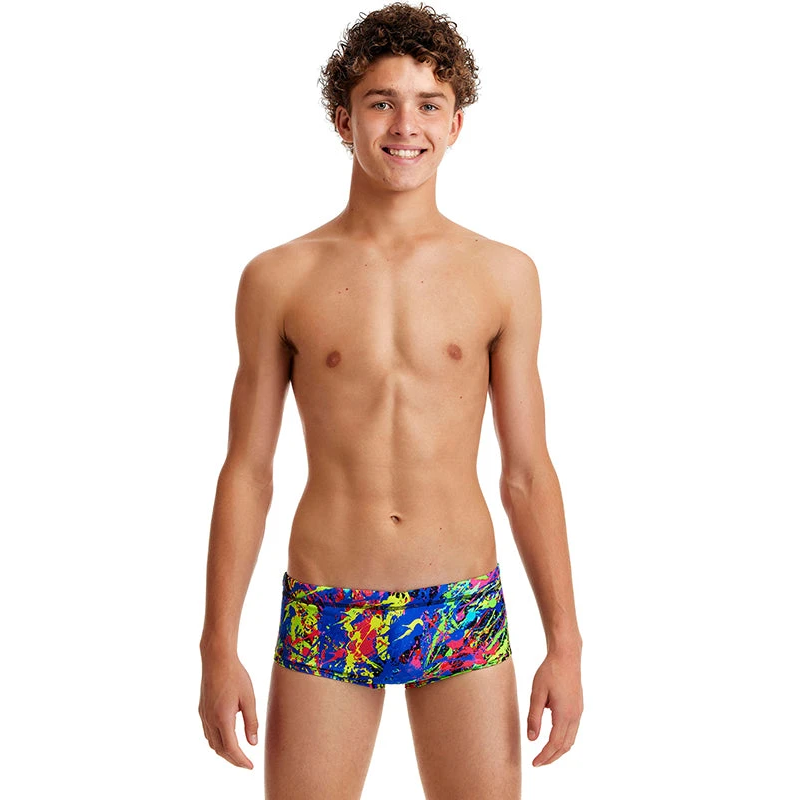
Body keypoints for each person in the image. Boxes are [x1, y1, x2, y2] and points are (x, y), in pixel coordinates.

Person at [198, 3, 583, 797]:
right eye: (381, 102)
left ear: (456, 125)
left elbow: (527, 472)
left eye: (428, 104)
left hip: (460, 604)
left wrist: (567, 644)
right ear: (344, 119)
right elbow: (248, 471)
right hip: (329, 605)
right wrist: (216, 648)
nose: (405, 125)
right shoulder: (279, 278)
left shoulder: (504, 275)